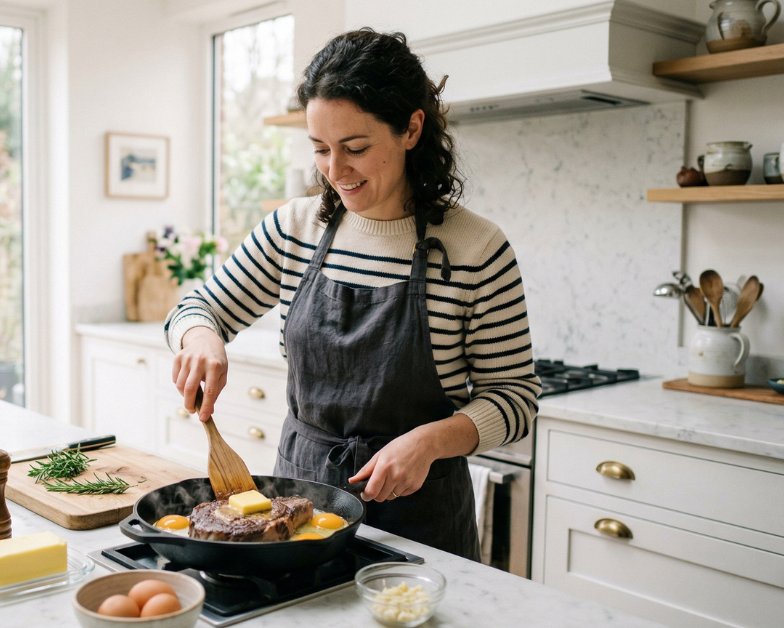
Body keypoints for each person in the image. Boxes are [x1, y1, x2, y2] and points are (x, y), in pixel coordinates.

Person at [164, 28, 540, 560]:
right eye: (320, 149)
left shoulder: (476, 248)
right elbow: (193, 308)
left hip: (422, 519)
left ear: (411, 129)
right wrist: (202, 338)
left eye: (356, 148)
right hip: (296, 511)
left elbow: (517, 399)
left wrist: (429, 442)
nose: (335, 172)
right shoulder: (295, 227)